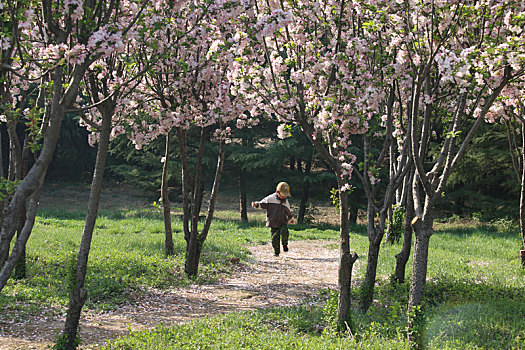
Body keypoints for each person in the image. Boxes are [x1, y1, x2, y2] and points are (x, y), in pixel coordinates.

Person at [252, 182, 295, 257]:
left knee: (285, 233)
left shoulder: (285, 201)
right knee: (275, 238)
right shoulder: (270, 199)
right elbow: (262, 204)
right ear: (277, 192)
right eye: (283, 195)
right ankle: (276, 252)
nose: (284, 197)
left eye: (286, 195)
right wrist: (256, 204)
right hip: (273, 222)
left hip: (283, 221)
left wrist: (291, 218)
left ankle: (285, 244)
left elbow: (288, 211)